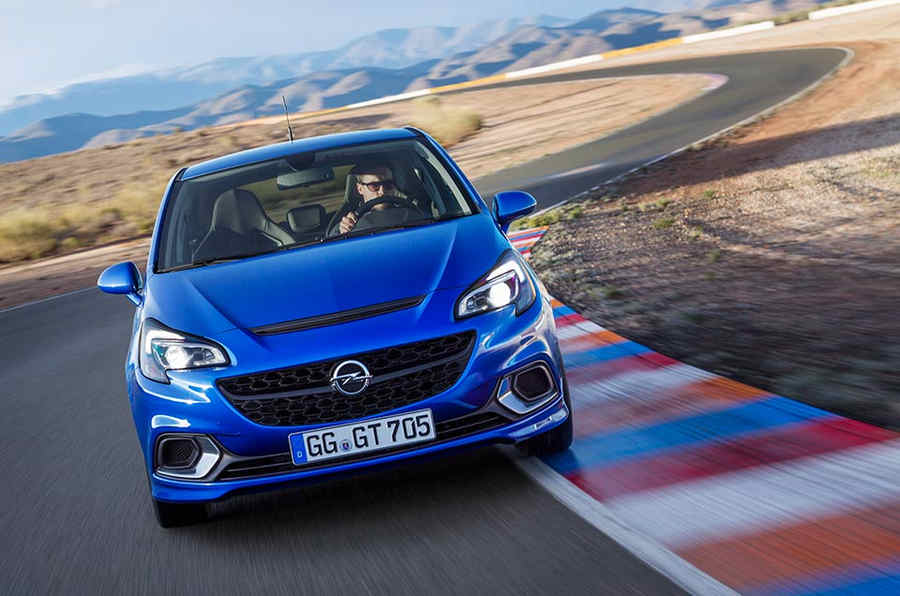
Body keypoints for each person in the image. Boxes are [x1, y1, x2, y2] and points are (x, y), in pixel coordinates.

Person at [337, 164, 400, 234]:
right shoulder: (349, 222)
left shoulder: (407, 213)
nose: (382, 192)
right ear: (360, 189)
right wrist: (343, 231)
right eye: (374, 185)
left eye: (388, 185)